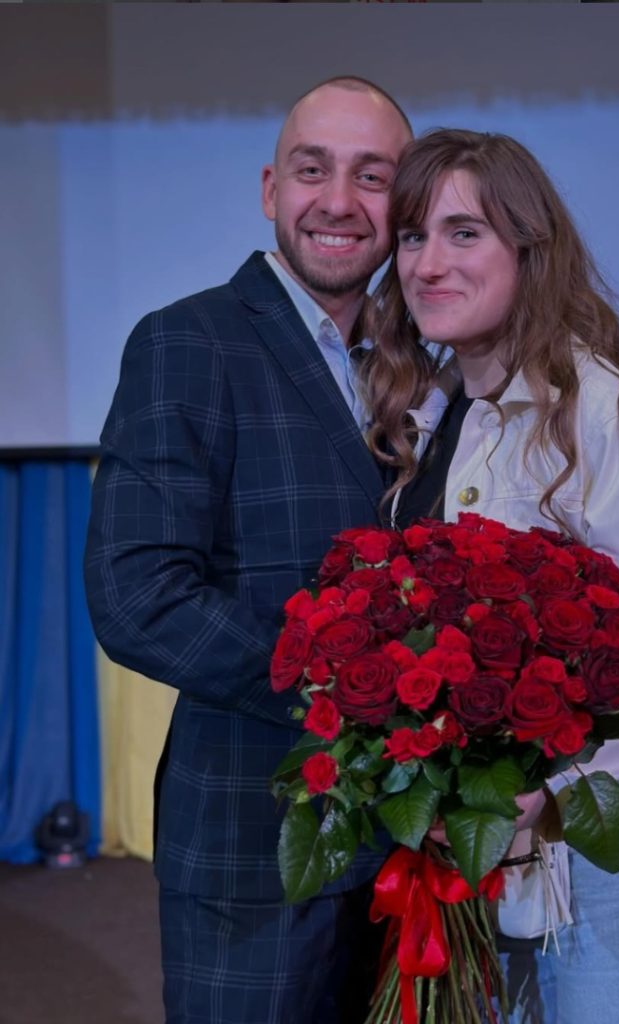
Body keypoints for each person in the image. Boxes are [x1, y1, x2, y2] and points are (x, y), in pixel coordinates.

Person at [363, 128, 619, 1024]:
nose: (426, 263)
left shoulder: (603, 412)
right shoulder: (439, 418)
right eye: (412, 236)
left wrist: (549, 790)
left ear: (529, 250)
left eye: (463, 233)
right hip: (510, 848)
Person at [84, 76, 412, 1024]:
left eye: (372, 176)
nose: (339, 201)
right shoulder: (187, 341)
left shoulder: (418, 362)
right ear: (272, 189)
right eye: (313, 171)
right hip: (253, 842)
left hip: (408, 844)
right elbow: (137, 594)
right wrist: (349, 696)